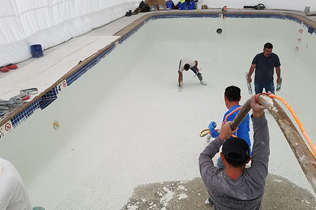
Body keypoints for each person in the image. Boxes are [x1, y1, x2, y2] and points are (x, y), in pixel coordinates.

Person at [199, 94, 269, 209]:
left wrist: (221, 137)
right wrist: (258, 113)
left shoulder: (213, 180)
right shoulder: (256, 180)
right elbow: (262, 147)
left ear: (222, 157)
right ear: (248, 159)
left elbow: (204, 156)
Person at [208, 85, 251, 168]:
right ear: (240, 97)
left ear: (225, 98)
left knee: (221, 170)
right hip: (246, 151)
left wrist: (212, 131)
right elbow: (243, 130)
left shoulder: (229, 115)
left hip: (233, 154)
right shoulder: (245, 112)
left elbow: (226, 137)